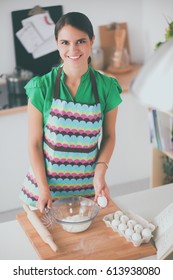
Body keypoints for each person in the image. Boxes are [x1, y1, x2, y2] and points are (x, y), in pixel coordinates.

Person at [19, 12, 122, 213]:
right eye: (65, 42)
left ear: (92, 41)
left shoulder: (106, 87)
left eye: (80, 41)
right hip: (44, 192)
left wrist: (100, 174)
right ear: (57, 43)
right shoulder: (41, 88)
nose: (72, 49)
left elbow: (109, 136)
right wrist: (43, 188)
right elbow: (34, 143)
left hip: (87, 191)